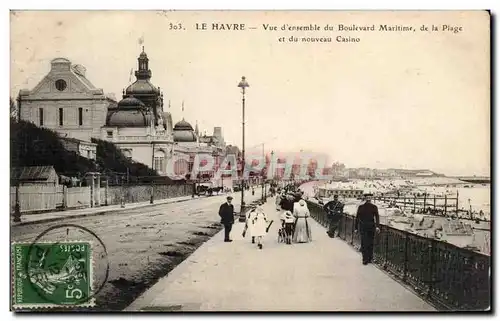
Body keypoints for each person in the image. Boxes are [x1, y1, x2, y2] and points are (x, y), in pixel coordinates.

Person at [354, 194, 380, 265]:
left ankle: (370, 258)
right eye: (367, 197)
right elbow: (357, 218)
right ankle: (365, 259)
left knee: (370, 243)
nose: (368, 199)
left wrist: (377, 226)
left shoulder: (374, 207)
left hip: (371, 227)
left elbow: (377, 217)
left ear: (371, 198)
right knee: (364, 243)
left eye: (370, 197)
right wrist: (356, 228)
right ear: (365, 198)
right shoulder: (361, 207)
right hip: (363, 227)